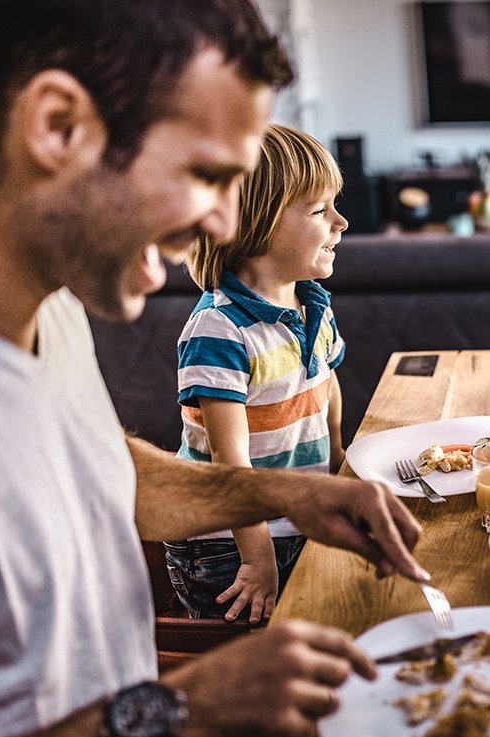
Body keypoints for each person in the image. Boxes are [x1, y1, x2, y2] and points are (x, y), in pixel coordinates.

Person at [0, 2, 429, 737]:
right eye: (206, 174)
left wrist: (284, 490)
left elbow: (99, 476)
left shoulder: (56, 307)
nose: (220, 219)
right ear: (58, 126)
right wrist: (172, 714)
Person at [169, 124, 350, 623]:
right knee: (252, 670)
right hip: (229, 544)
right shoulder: (220, 328)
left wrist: (337, 462)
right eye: (319, 211)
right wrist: (257, 557)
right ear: (256, 224)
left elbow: (324, 384)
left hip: (293, 519)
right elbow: (232, 461)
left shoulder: (311, 303)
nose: (342, 222)